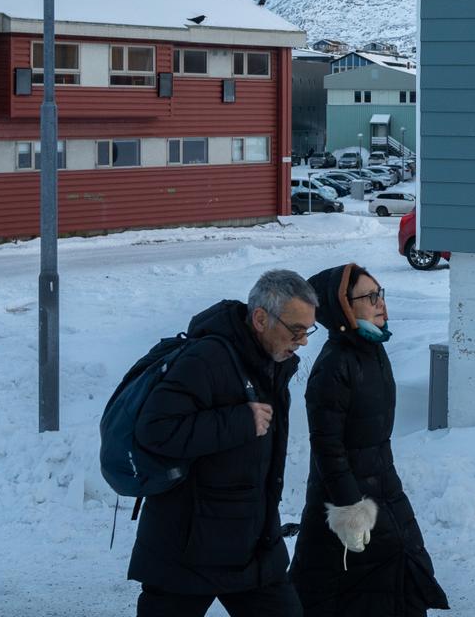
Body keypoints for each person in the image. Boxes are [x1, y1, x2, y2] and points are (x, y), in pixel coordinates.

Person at [128, 269, 319, 617]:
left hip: (252, 546)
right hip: (187, 549)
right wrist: (238, 421)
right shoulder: (207, 358)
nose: (303, 340)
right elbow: (154, 430)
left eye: (308, 329)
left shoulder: (269, 362)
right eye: (296, 330)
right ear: (260, 318)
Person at [291, 264, 449, 616]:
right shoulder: (335, 364)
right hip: (346, 501)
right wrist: (350, 510)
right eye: (370, 297)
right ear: (344, 307)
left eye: (382, 294)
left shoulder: (371, 350)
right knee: (341, 592)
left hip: (384, 489)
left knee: (398, 580)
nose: (381, 304)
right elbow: (328, 448)